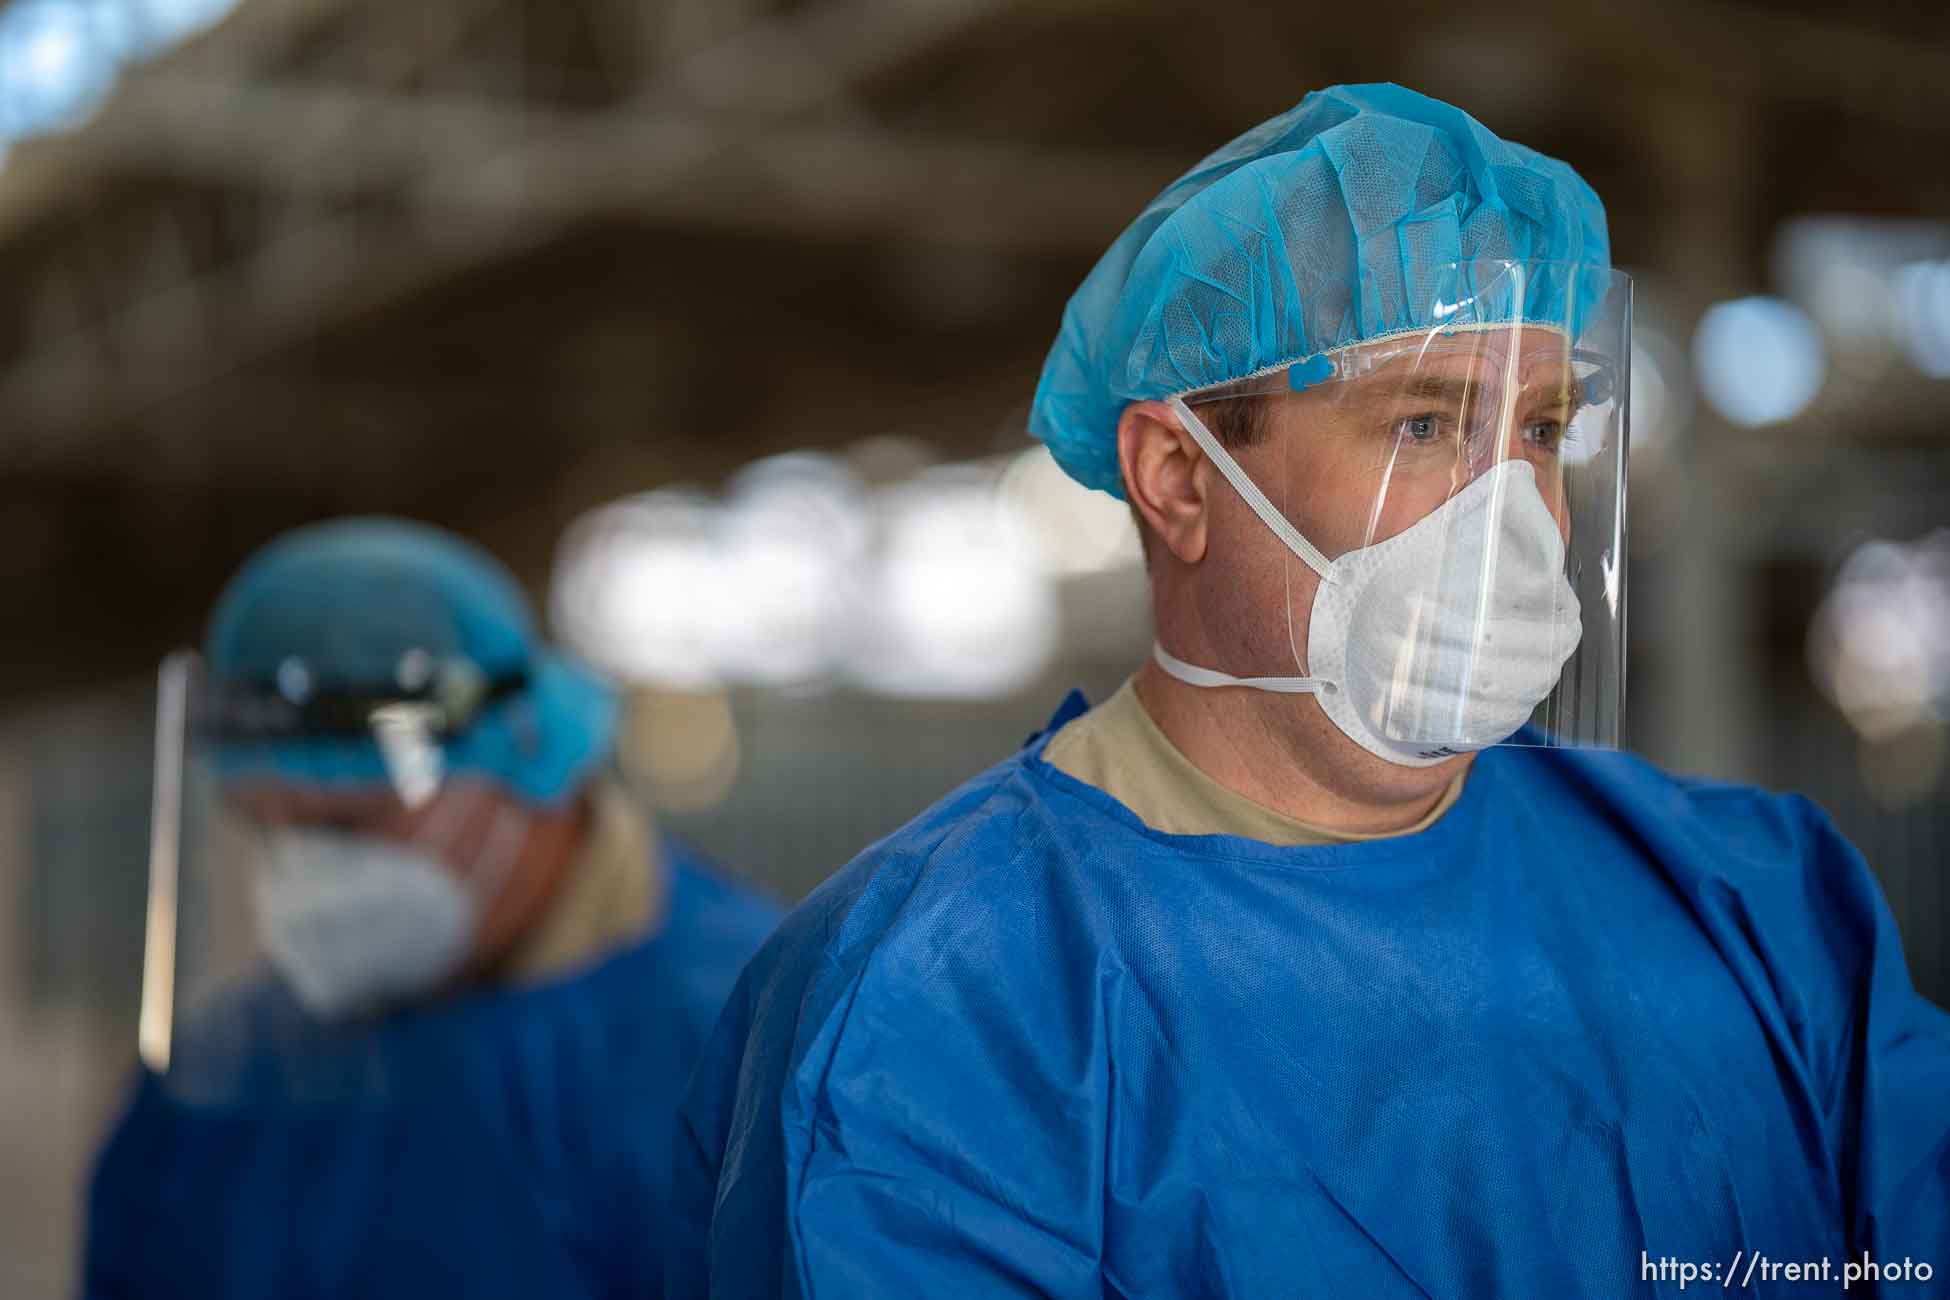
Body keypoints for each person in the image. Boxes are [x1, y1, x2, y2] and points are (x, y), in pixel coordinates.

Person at [668, 84, 1950, 1298]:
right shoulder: (943, 1004)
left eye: (1543, 431)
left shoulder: (1755, 901)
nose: (1513, 511)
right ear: (1178, 476)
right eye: (1424, 424)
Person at [85, 517, 781, 1300]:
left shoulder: (753, 1045)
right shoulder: (231, 1078)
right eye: (266, 830)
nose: (305, 876)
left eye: (347, 825)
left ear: (528, 754)